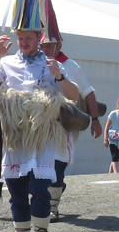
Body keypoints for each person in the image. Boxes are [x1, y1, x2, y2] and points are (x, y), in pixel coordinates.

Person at [0, 28, 80, 232]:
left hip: (42, 138)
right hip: (15, 138)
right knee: (17, 193)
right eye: (20, 38)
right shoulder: (6, 62)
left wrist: (60, 77)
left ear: (38, 39)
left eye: (28, 38)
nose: (23, 42)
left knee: (41, 190)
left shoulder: (51, 64)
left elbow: (74, 95)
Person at [39, 33, 100, 221]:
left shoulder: (70, 66)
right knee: (39, 166)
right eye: (42, 45)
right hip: (40, 125)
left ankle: (53, 208)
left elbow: (88, 92)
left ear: (59, 45)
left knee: (57, 164)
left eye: (48, 45)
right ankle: (50, 194)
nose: (44, 49)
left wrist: (95, 120)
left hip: (62, 125)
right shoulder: (35, 63)